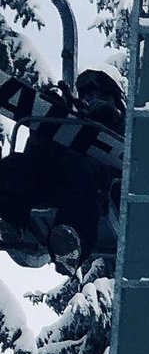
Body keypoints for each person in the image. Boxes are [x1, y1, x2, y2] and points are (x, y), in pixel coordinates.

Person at [0, 68, 124, 273]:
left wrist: (114, 119)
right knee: (15, 164)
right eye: (87, 96)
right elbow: (36, 160)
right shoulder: (72, 121)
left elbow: (136, 158)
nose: (91, 100)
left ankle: (70, 242)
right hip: (54, 181)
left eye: (98, 96)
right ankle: (9, 217)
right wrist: (45, 125)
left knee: (86, 170)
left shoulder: (127, 129)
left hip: (94, 191)